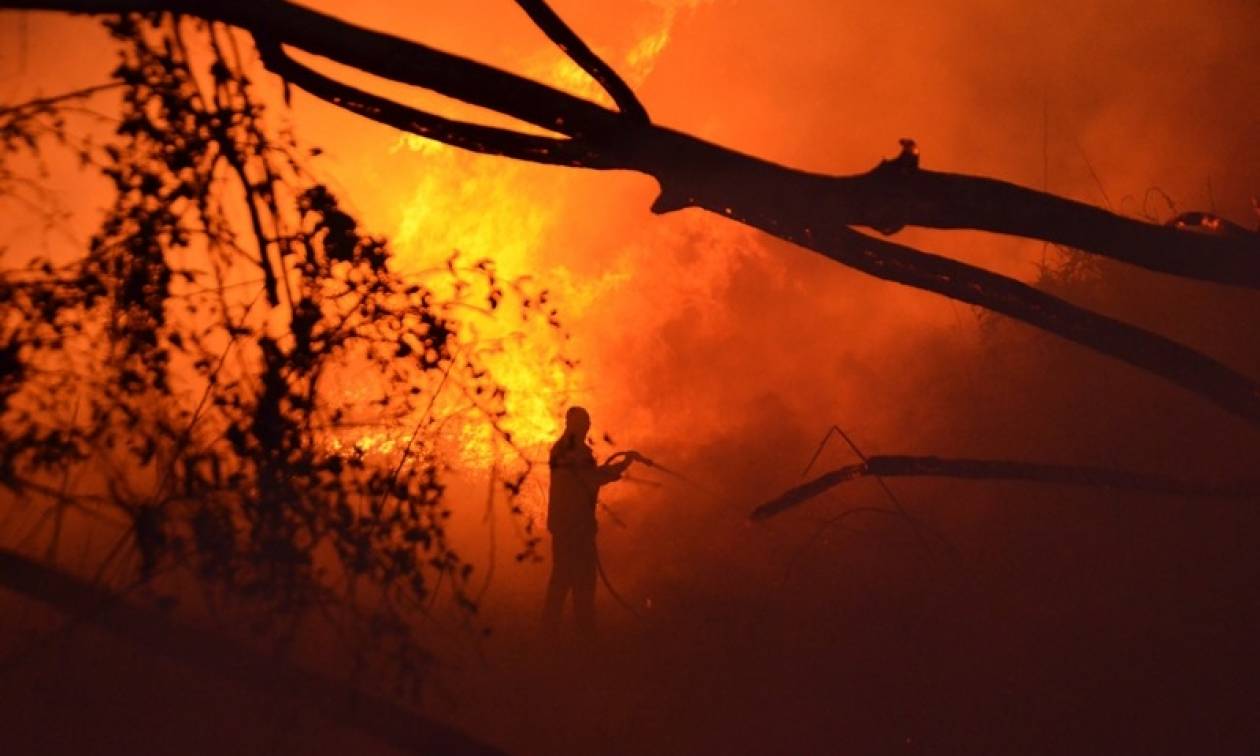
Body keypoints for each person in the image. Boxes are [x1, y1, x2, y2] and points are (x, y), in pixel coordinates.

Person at [542, 406, 641, 637]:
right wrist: (624, 465)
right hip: (573, 529)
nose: (587, 426)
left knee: (565, 580)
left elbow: (588, 478)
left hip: (571, 527)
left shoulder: (566, 449)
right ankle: (581, 636)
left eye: (587, 422)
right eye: (584, 423)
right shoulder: (571, 452)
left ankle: (554, 633)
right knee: (577, 581)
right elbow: (592, 479)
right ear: (572, 424)